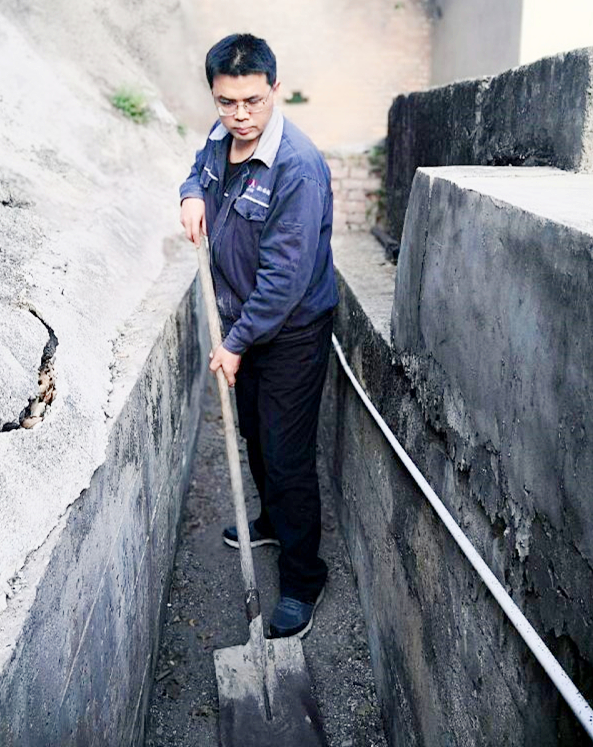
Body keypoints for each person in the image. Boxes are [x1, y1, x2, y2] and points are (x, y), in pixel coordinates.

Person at [179, 33, 338, 639]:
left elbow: (283, 282)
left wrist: (235, 343)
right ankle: (271, 520)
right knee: (254, 433)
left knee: (287, 454)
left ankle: (303, 579)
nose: (240, 115)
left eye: (252, 101)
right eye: (226, 102)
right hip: (246, 324)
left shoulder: (297, 168)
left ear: (275, 89)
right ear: (215, 96)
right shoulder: (222, 138)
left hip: (291, 331)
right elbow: (198, 170)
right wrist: (191, 195)